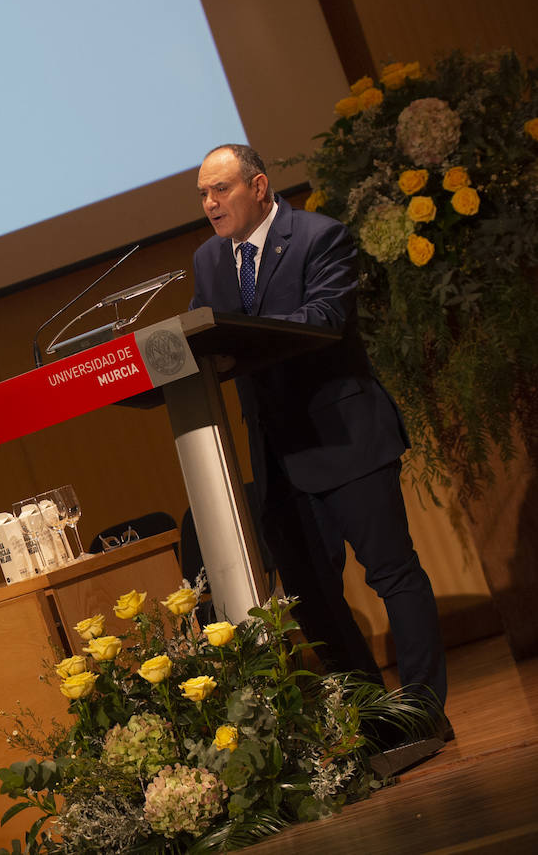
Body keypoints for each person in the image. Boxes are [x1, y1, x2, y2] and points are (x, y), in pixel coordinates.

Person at [189, 143, 450, 746]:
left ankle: (423, 713)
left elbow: (326, 317)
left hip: (344, 436)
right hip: (276, 457)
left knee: (393, 574)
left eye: (220, 190)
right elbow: (202, 333)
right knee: (310, 596)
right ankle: (376, 722)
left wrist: (242, 342)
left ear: (257, 187)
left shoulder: (320, 237)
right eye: (203, 194)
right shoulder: (208, 260)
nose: (209, 204)